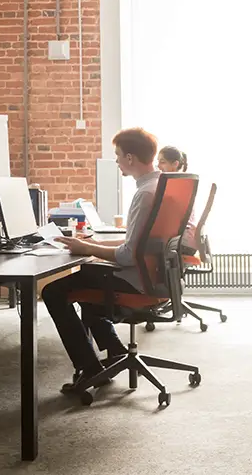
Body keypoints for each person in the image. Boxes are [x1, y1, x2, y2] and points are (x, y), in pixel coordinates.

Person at [42, 127, 161, 392]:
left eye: (118, 156)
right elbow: (138, 243)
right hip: (154, 275)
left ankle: (89, 368)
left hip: (136, 279)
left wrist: (87, 250)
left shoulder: (144, 194)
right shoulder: (160, 186)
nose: (117, 161)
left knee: (53, 291)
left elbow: (129, 254)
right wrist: (93, 244)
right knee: (88, 279)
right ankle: (115, 351)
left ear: (130, 158)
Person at [156, 145, 197, 253]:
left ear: (175, 164)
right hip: (186, 241)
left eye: (162, 162)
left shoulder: (174, 185)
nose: (158, 166)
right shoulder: (183, 182)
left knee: (141, 247)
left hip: (180, 243)